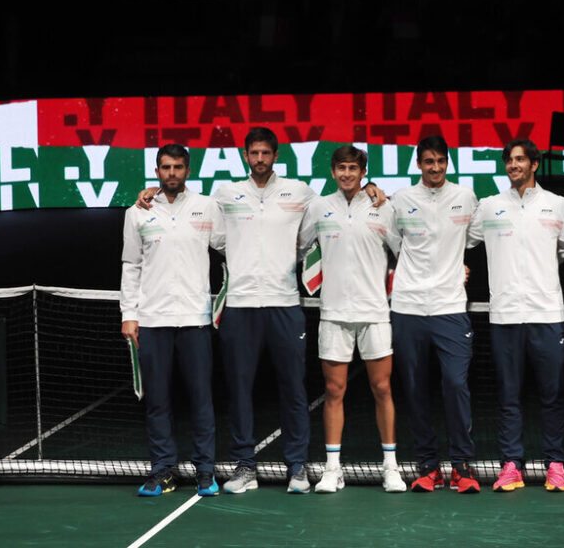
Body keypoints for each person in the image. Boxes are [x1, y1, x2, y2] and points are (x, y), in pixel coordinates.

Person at [137, 127, 385, 494]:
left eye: (265, 153)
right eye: (253, 153)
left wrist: (372, 187)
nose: (259, 159)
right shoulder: (224, 195)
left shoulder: (300, 192)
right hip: (240, 307)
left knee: (294, 389)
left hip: (285, 304)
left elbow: (338, 201)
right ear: (245, 156)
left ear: (275, 155)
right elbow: (188, 211)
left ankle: (297, 467)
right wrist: (152, 193)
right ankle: (245, 467)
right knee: (240, 391)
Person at [298, 145, 406, 493]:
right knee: (334, 390)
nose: (347, 174)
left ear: (363, 173)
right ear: (333, 172)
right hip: (333, 314)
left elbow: (404, 252)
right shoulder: (318, 207)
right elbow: (299, 246)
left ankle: (390, 467)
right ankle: (333, 469)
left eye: (353, 168)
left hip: (375, 312)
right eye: (341, 168)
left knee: (382, 388)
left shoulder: (382, 207)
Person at [468, 138, 564, 492]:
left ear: (534, 164)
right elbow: (459, 241)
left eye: (520, 159)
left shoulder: (558, 205)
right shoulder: (489, 207)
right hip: (505, 316)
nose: (513, 165)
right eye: (509, 160)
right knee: (509, 396)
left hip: (547, 314)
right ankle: (511, 464)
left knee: (552, 395)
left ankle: (555, 464)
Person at [122, 143, 225, 497]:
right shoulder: (137, 212)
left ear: (188, 170)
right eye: (166, 167)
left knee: (201, 400)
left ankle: (205, 471)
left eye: (178, 167)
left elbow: (230, 248)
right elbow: (131, 265)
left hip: (196, 319)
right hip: (152, 320)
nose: (172, 173)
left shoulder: (207, 207)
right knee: (158, 401)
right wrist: (129, 314)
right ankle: (162, 470)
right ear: (157, 170)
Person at [390, 136, 481, 494]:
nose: (436, 167)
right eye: (429, 161)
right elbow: (392, 242)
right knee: (414, 389)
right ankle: (428, 465)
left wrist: (460, 266)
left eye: (441, 161)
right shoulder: (400, 200)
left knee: (456, 384)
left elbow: (472, 239)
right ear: (419, 164)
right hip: (408, 307)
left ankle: (461, 465)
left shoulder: (466, 197)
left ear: (447, 162)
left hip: (450, 308)